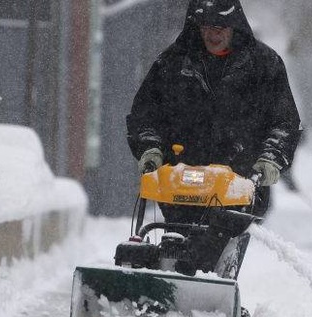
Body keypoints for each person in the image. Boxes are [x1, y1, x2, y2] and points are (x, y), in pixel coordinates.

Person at [126, 0, 302, 272]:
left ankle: (197, 273)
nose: (213, 34)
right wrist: (150, 148)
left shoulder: (264, 66)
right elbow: (145, 115)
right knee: (177, 241)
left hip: (238, 183)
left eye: (221, 27)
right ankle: (178, 276)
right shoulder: (173, 63)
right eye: (207, 26)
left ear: (235, 27)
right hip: (180, 180)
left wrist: (270, 159)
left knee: (213, 245)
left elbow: (284, 122)